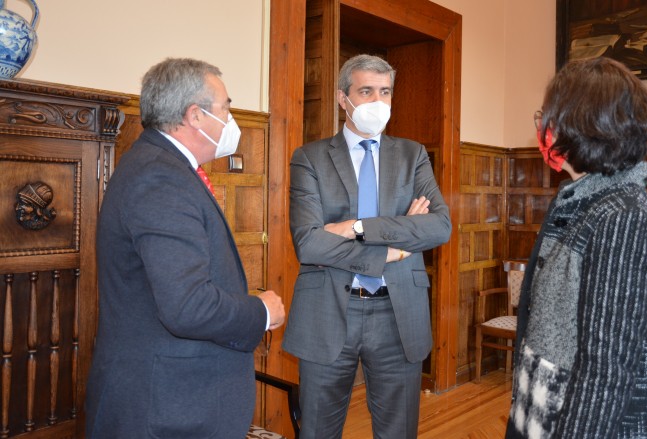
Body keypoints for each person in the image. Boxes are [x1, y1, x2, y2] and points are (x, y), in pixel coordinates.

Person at [85, 58, 285, 439]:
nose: (230, 119)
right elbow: (187, 306)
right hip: (167, 405)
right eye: (226, 107)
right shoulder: (161, 178)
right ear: (195, 115)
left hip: (174, 395)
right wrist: (259, 310)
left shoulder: (163, 166)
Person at [282, 54, 452, 438]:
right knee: (318, 431)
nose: (378, 101)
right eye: (366, 91)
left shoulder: (413, 155)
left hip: (398, 313)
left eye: (385, 92)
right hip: (327, 310)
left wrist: (355, 227)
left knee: (398, 431)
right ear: (344, 98)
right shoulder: (309, 158)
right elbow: (309, 244)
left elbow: (439, 227)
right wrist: (397, 238)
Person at [506, 57, 647, 438]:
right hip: (543, 415)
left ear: (583, 124)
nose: (543, 126)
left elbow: (605, 374)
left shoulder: (622, 216)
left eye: (549, 115)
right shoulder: (580, 200)